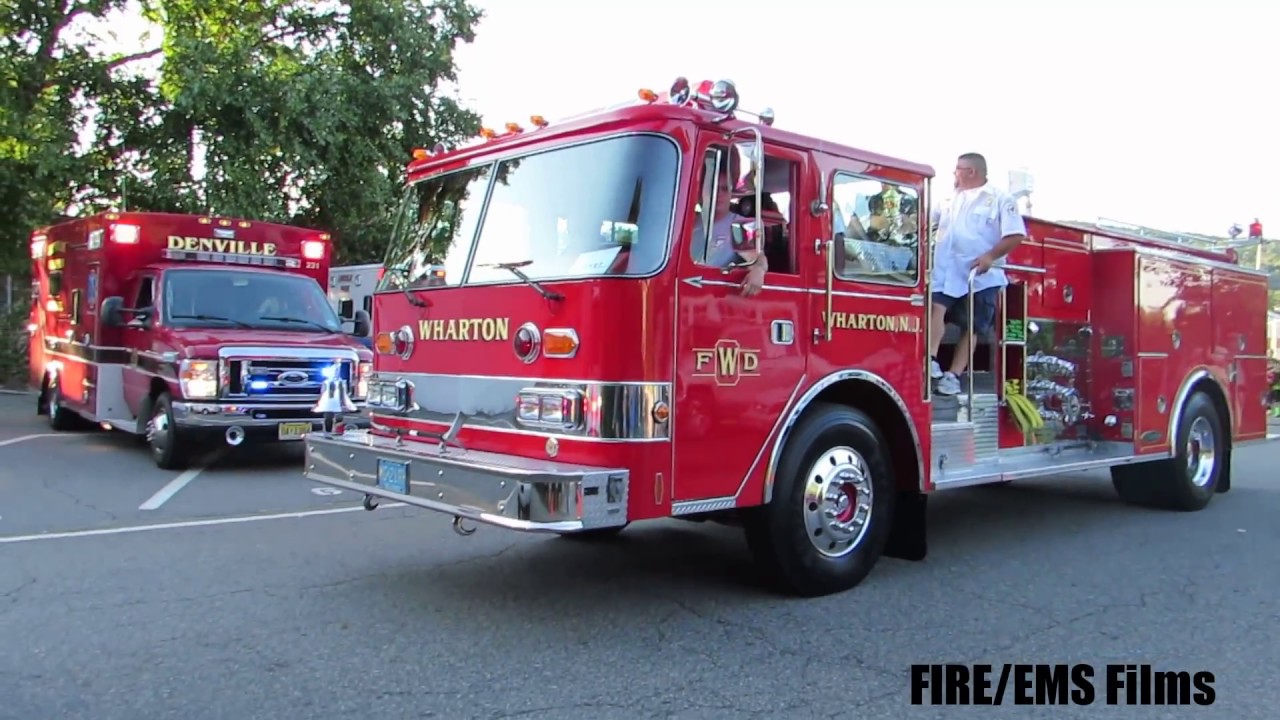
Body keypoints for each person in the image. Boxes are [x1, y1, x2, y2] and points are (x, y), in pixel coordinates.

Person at [929, 152, 1027, 395]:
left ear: (971, 171)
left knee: (970, 325)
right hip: (946, 268)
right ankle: (929, 359)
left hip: (980, 276)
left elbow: (1015, 234)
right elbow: (926, 223)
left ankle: (953, 375)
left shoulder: (1001, 199)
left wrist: (990, 257)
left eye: (958, 169)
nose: (954, 174)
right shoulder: (947, 199)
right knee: (935, 308)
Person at [691, 149, 768, 296]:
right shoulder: (688, 222)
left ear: (732, 193)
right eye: (712, 188)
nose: (718, 194)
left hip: (714, 297)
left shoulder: (739, 225)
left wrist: (758, 270)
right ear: (701, 191)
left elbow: (758, 258)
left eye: (724, 189)